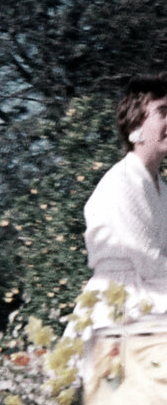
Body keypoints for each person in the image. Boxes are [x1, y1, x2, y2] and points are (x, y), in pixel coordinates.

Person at [79, 74, 167, 325]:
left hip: (153, 294)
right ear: (134, 124)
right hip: (119, 306)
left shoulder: (161, 187)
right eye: (163, 112)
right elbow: (149, 261)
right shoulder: (121, 182)